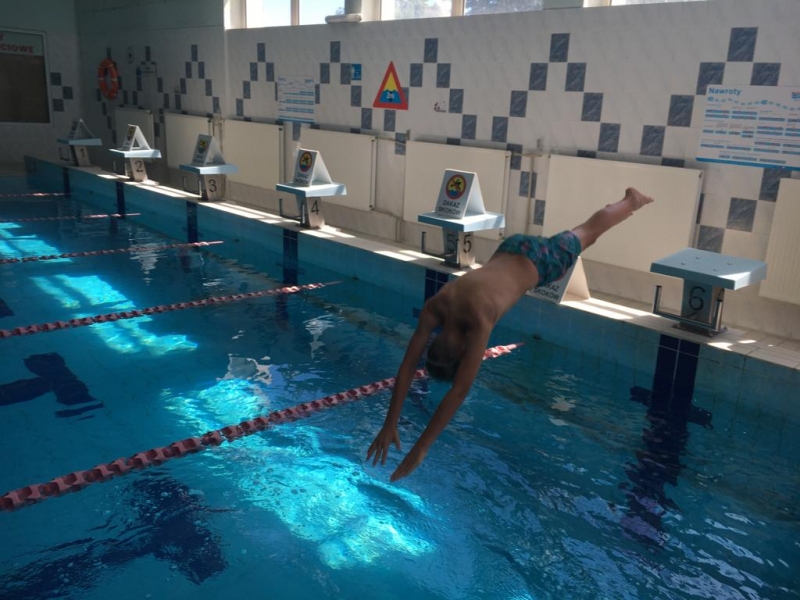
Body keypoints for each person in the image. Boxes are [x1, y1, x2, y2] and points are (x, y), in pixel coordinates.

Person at [366, 187, 654, 482]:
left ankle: (630, 201)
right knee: (586, 232)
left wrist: (420, 446)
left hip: (540, 263)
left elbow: (455, 388)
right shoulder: (437, 308)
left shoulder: (477, 322)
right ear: (447, 348)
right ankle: (624, 204)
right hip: (511, 249)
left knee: (588, 232)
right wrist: (391, 424)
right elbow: (411, 370)